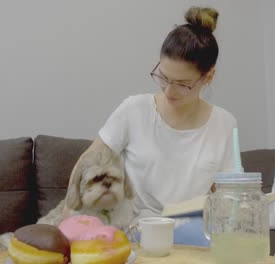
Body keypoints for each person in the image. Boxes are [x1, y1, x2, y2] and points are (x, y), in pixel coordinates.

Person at [71, 6, 236, 245]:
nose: (169, 90)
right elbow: (89, 160)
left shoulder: (225, 123)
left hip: (194, 227)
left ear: (208, 77)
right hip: (138, 225)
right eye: (163, 77)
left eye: (182, 84)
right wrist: (70, 212)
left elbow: (227, 197)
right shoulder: (134, 110)